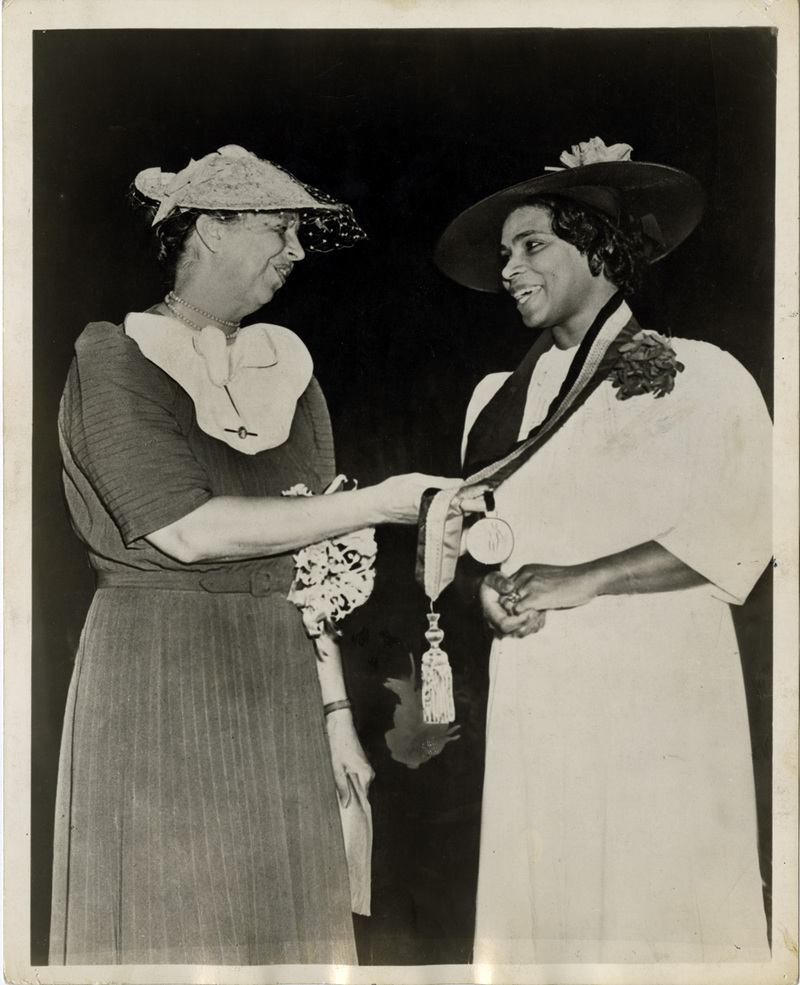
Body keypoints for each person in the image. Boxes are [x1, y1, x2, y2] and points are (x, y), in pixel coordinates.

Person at [50, 144, 472, 965]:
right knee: (178, 928)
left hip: (276, 684)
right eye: (280, 230)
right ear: (208, 229)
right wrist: (383, 501)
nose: (297, 251)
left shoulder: (291, 370)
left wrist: (337, 718)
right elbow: (189, 529)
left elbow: (311, 569)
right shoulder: (113, 359)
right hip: (161, 678)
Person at [433, 137, 772, 963]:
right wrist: (488, 593)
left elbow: (748, 529)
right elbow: (489, 541)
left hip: (659, 688)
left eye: (532, 245)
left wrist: (583, 580)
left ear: (596, 247)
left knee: (656, 902)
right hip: (537, 692)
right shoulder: (493, 400)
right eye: (505, 253)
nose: (509, 268)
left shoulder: (702, 374)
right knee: (547, 908)